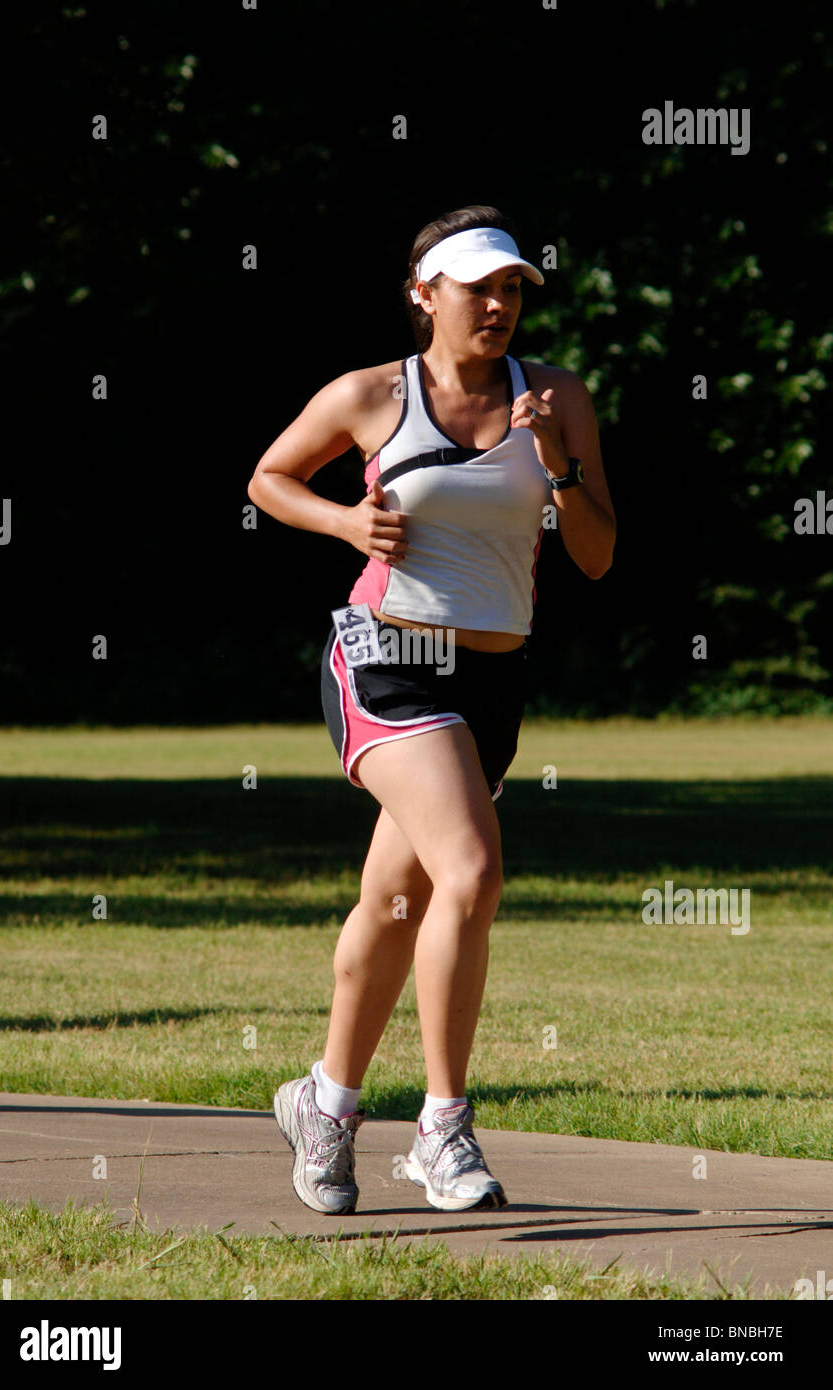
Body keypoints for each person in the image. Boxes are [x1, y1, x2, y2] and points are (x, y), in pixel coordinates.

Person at [247, 204, 616, 1215]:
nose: (497, 305)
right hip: (385, 657)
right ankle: (444, 1128)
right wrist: (341, 518)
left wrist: (558, 469)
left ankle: (322, 1101)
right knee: (472, 866)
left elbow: (593, 552)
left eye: (512, 290)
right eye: (477, 288)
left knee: (394, 901)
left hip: (491, 678)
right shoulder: (373, 394)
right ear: (425, 294)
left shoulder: (554, 396)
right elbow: (269, 476)